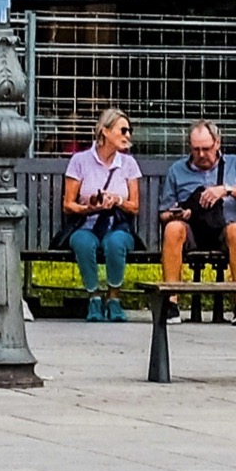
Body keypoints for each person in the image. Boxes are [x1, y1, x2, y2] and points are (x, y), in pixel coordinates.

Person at [157, 119, 236, 321]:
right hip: (192, 230)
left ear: (217, 143)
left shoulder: (235, 164)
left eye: (206, 149)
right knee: (172, 228)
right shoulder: (177, 170)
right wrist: (178, 214)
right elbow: (163, 213)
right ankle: (170, 302)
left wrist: (226, 189)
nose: (201, 155)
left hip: (224, 228)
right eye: (196, 149)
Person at [64, 105, 143, 320]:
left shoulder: (128, 163)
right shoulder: (79, 161)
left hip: (118, 226)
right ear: (105, 132)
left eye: (129, 131)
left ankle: (114, 299)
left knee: (115, 243)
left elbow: (134, 206)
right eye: (122, 130)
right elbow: (68, 204)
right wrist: (90, 208)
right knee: (82, 242)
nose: (127, 135)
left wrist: (117, 200)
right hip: (87, 224)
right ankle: (94, 298)